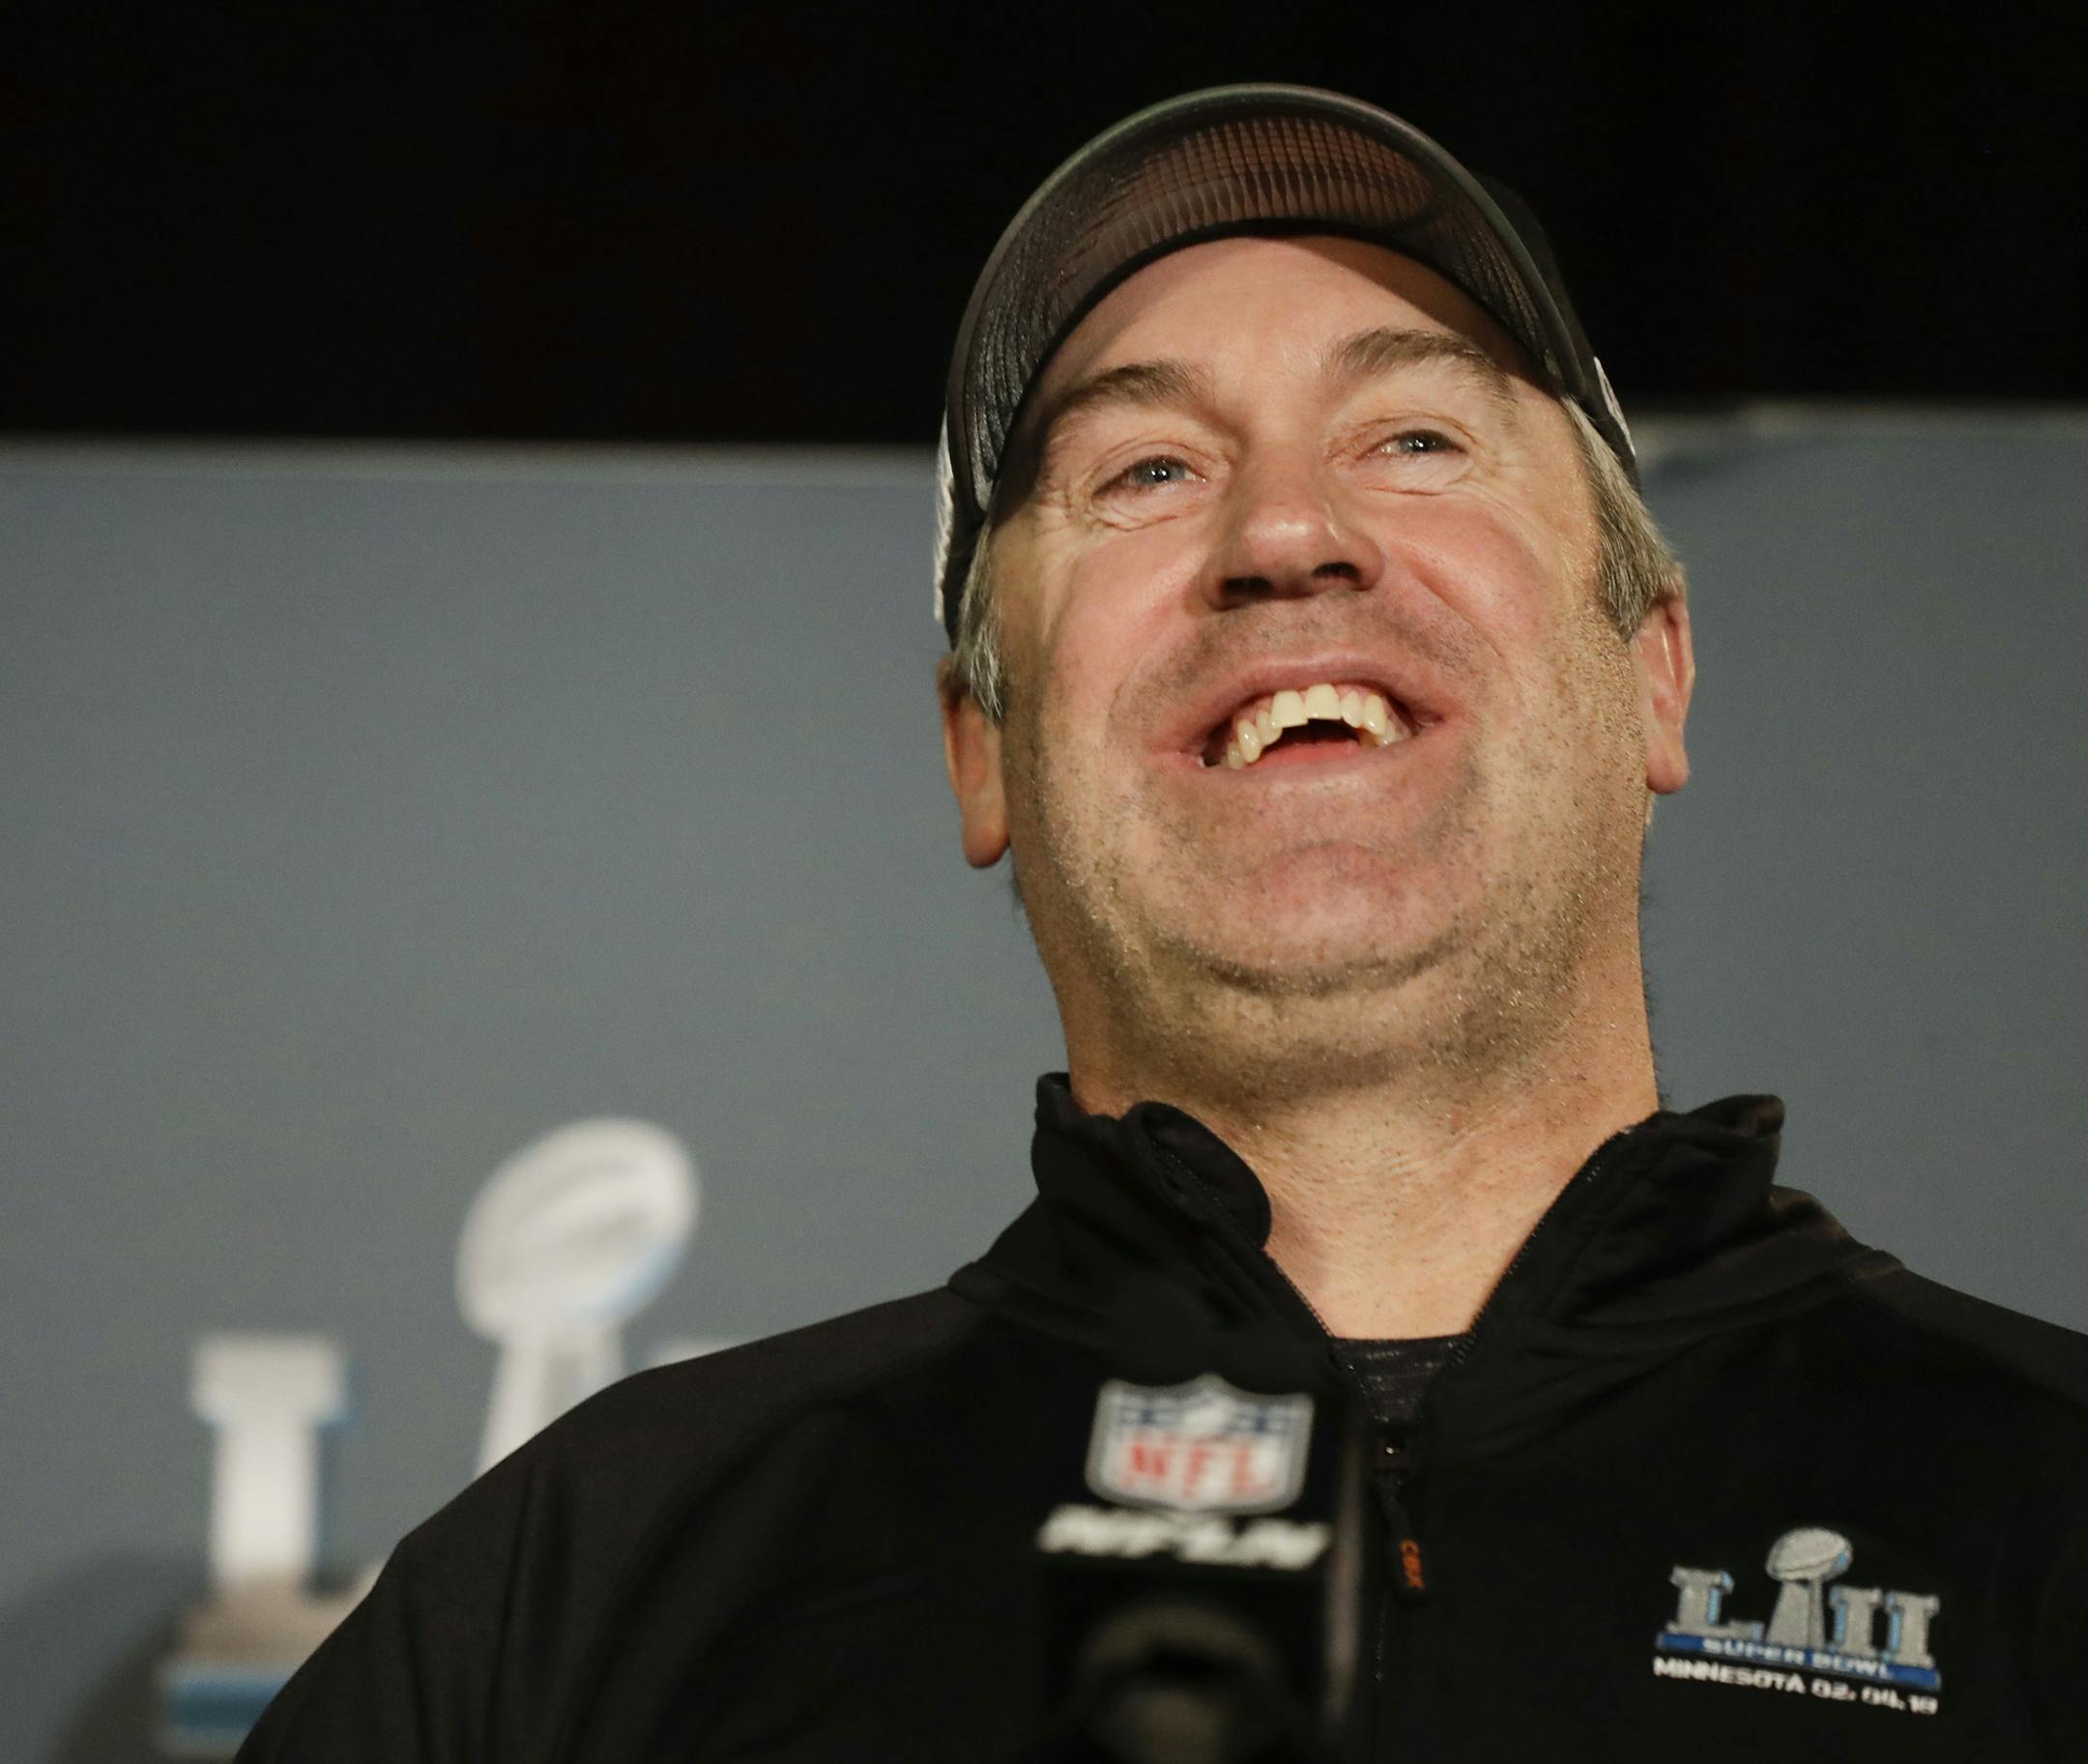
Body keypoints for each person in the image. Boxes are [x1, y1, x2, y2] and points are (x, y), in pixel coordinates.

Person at [240, 84, 2088, 1762]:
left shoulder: (2044, 1500)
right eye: (1145, 471)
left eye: (1419, 437)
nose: (1285, 530)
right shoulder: (583, 1591)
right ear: (986, 749)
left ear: (1655, 672)